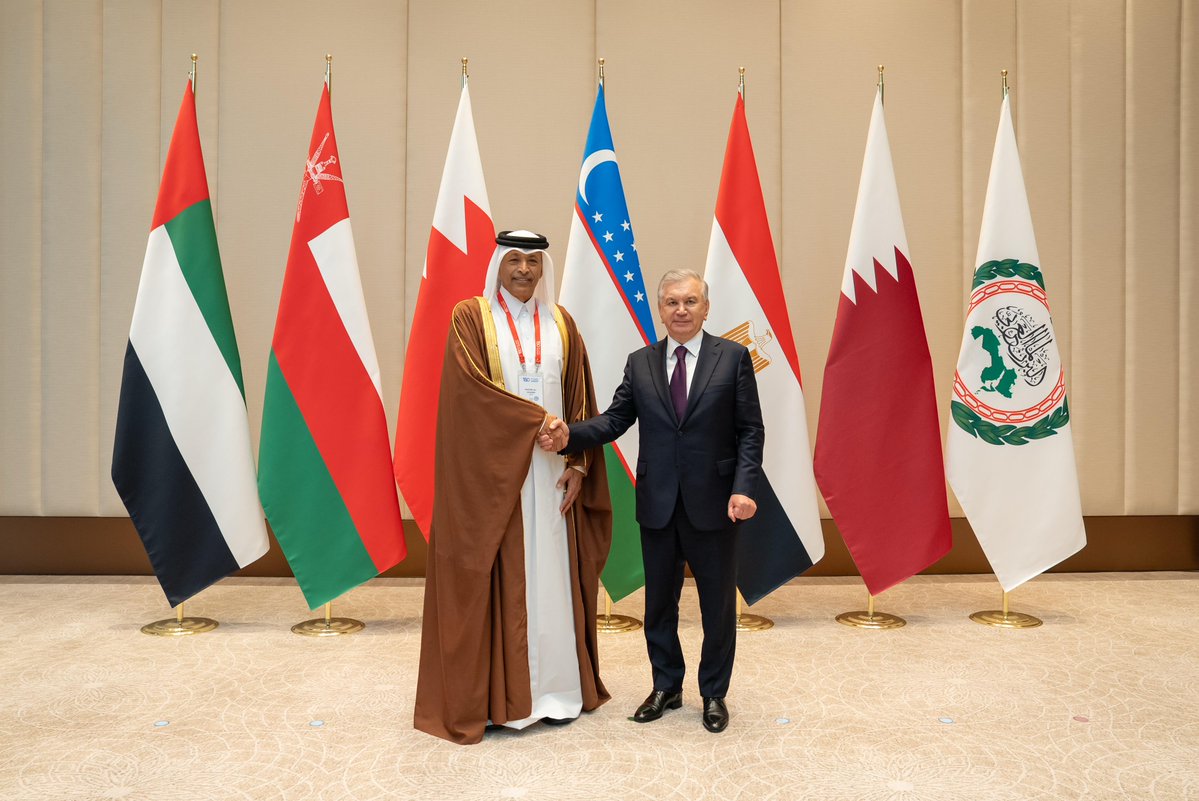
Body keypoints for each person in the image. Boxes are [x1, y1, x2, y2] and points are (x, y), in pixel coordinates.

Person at [540, 269, 763, 734]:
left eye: (690, 301)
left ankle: (714, 693)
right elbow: (614, 420)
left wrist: (743, 487)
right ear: (660, 309)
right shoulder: (640, 362)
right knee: (659, 603)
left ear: (706, 308)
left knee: (717, 606)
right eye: (671, 302)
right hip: (658, 502)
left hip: (716, 503)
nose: (681, 310)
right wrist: (568, 435)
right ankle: (666, 685)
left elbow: (750, 431)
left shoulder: (733, 358)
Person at [414, 230, 612, 745]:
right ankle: (502, 700)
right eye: (515, 260)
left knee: (551, 573)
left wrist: (578, 462)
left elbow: (580, 397)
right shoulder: (470, 316)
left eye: (533, 261)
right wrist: (535, 422)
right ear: (499, 263)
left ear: (544, 268)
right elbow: (470, 393)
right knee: (504, 571)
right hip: (493, 477)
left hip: (551, 473)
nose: (524, 270)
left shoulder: (562, 323)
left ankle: (556, 692)